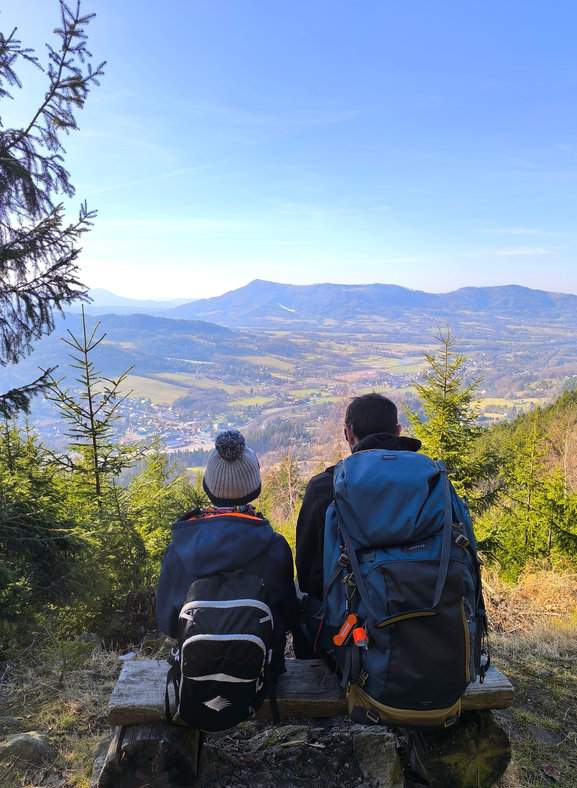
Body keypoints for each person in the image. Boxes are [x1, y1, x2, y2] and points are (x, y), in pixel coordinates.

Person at [156, 429, 300, 679]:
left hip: (196, 672)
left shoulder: (181, 548)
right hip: (261, 672)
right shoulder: (274, 546)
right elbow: (288, 618)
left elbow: (168, 623)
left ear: (208, 487)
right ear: (255, 488)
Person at [296, 392, 421, 605]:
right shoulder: (433, 479)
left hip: (350, 627)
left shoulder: (324, 488)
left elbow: (309, 577)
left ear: (348, 433)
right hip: (430, 616)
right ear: (398, 432)